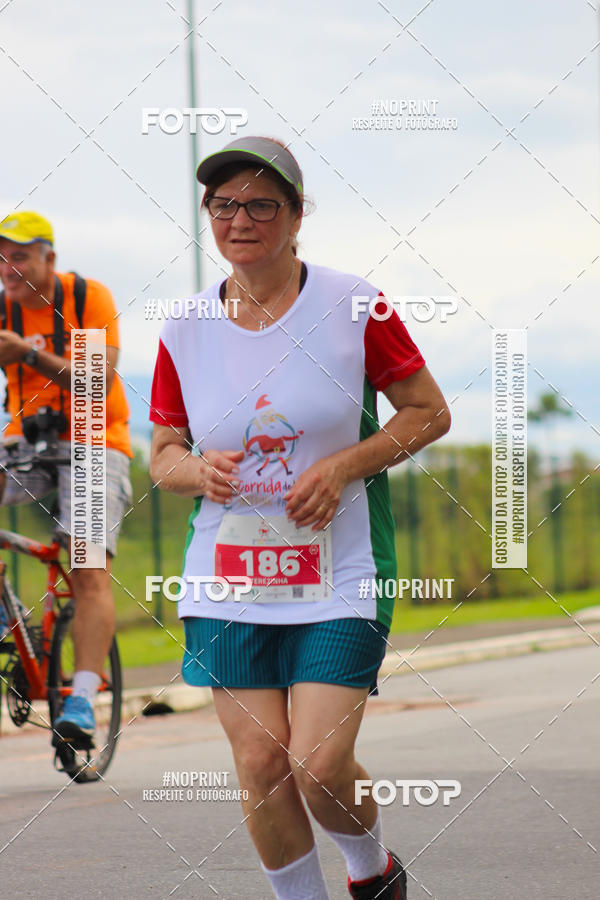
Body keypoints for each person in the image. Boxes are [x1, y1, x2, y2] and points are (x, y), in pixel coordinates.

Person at [149, 136, 451, 900]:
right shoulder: (184, 325)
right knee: (258, 760)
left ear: (295, 215)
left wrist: (345, 463)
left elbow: (428, 412)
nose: (239, 219)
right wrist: (196, 469)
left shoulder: (355, 304)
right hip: (228, 575)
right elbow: (163, 453)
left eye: (260, 204)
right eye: (223, 205)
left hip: (339, 567)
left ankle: (369, 869)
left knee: (316, 765)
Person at [0, 211, 132, 746]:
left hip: (94, 443)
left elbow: (98, 379)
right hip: (23, 440)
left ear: (48, 259)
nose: (9, 267)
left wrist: (28, 352)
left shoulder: (86, 299)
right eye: (2, 257)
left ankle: (81, 699)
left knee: (87, 565)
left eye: (20, 255)